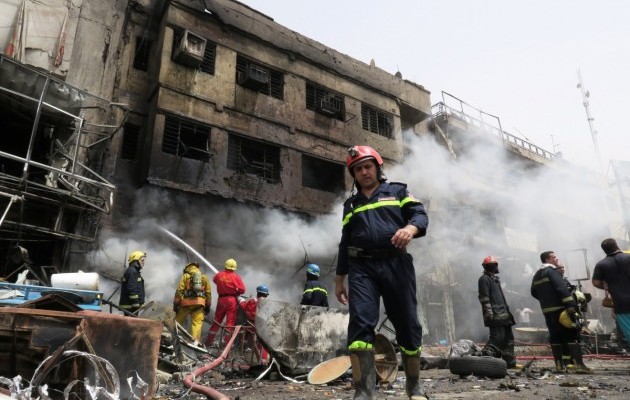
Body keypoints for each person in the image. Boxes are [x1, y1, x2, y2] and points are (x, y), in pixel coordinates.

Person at [335, 145, 429, 400]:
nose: (363, 172)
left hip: (396, 263)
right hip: (361, 268)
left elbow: (419, 215)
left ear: (377, 168)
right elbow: (345, 243)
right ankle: (363, 392)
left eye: (367, 166)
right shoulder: (351, 204)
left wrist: (410, 229)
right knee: (359, 325)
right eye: (358, 169)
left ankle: (414, 387)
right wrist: (340, 279)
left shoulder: (397, 191)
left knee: (407, 323)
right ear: (354, 175)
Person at [531, 251, 590, 373]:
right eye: (554, 257)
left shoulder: (537, 275)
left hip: (547, 311)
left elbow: (533, 292)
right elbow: (561, 288)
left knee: (555, 337)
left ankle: (560, 366)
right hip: (561, 310)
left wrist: (547, 301)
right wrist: (571, 305)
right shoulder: (552, 272)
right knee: (571, 334)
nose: (556, 259)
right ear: (547, 259)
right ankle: (579, 365)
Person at [477, 256, 517, 368]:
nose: (494, 267)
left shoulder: (495, 279)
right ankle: (485, 361)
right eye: (492, 265)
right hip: (495, 315)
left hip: (504, 315)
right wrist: (488, 312)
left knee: (509, 339)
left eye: (495, 264)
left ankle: (509, 362)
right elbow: (484, 297)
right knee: (497, 337)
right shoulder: (484, 279)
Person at [592, 238, 630, 351]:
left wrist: (608, 287)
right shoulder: (628, 257)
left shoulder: (601, 264)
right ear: (617, 246)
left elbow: (596, 282)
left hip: (620, 303)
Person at [205, 258, 246, 347]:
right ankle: (227, 346)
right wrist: (235, 290)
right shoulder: (236, 277)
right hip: (231, 300)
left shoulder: (219, 275)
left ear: (225, 266)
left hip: (221, 300)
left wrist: (223, 285)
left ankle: (208, 343)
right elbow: (242, 290)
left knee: (217, 321)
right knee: (230, 323)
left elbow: (215, 280)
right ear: (234, 268)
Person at [173, 262, 212, 345]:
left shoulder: (185, 276)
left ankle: (172, 336)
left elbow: (179, 291)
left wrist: (175, 305)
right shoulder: (204, 277)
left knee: (177, 322)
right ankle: (195, 342)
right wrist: (208, 307)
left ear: (187, 268)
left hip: (185, 304)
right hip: (199, 305)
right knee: (197, 324)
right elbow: (208, 294)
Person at [238, 284, 270, 364]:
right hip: (262, 326)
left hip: (251, 324)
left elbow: (245, 307)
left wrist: (241, 300)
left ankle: (242, 353)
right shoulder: (268, 303)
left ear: (258, 293)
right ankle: (263, 361)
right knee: (262, 343)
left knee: (244, 335)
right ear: (266, 295)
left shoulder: (253, 301)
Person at [119, 250, 146, 315]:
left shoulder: (134, 271)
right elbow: (131, 289)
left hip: (132, 306)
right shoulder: (132, 272)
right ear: (135, 261)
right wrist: (136, 304)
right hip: (131, 307)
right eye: (142, 260)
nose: (143, 262)